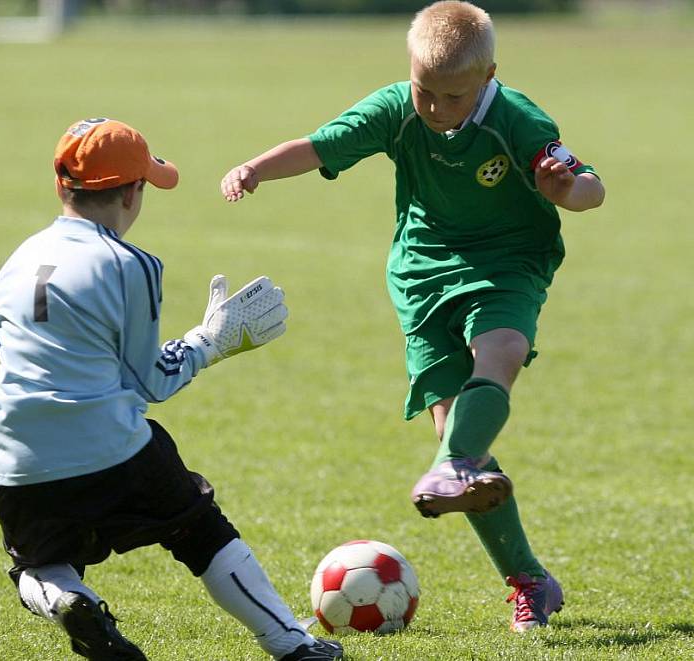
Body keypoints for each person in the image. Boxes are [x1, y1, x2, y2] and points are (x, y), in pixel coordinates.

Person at [220, 1, 605, 633]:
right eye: (425, 91)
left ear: (487, 78)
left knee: (500, 351)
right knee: (458, 437)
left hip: (509, 265)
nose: (434, 108)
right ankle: (529, 578)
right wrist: (255, 169)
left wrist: (565, 189)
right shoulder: (397, 110)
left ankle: (452, 471)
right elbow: (320, 146)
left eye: (452, 97)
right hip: (422, 275)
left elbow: (591, 187)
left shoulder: (517, 119)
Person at [0, 117, 343, 661]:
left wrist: (2, 289)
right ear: (134, 194)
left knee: (38, 565)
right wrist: (210, 341)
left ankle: (68, 597)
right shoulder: (130, 264)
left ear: (62, 186)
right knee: (201, 530)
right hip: (107, 447)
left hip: (16, 459)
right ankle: (291, 644)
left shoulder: (24, 255)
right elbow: (150, 381)